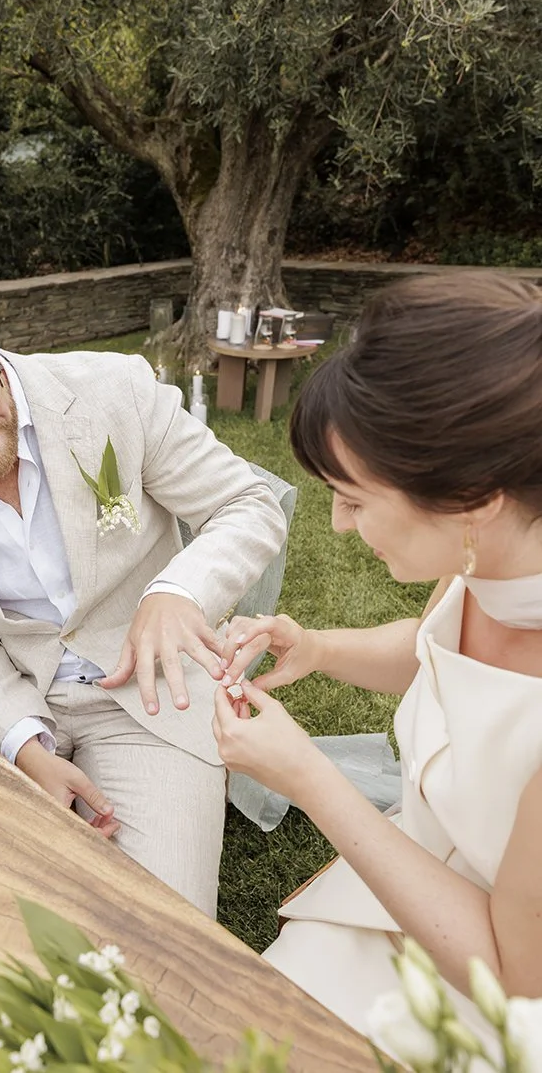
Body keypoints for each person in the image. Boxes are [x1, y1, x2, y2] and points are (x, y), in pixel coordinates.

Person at [0, 274, 287, 915]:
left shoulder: (114, 391)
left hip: (149, 698)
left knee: (161, 927)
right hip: (2, 695)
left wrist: (179, 591)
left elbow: (248, 504)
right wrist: (24, 744)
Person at [212, 272, 542, 1043]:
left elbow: (520, 981)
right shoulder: (491, 562)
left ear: (473, 498)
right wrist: (318, 647)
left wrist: (310, 778)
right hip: (412, 887)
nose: (334, 523)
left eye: (355, 498)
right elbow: (436, 658)